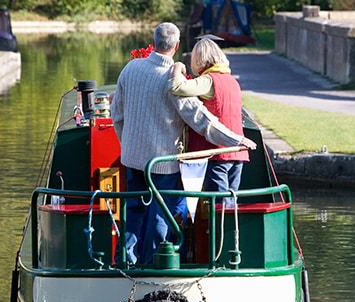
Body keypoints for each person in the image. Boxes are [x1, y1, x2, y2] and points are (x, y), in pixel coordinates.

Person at [110, 23, 256, 265]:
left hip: (132, 160)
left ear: (154, 41)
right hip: (163, 162)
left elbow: (117, 114)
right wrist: (237, 140)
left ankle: (126, 261)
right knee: (162, 212)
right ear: (177, 46)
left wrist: (127, 145)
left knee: (133, 210)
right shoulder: (173, 78)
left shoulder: (130, 68)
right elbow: (202, 121)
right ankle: (154, 264)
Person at [170, 38, 248, 195]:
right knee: (230, 203)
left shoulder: (208, 81)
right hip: (238, 153)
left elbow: (177, 87)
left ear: (198, 59)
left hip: (216, 152)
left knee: (218, 206)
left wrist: (176, 68)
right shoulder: (232, 81)